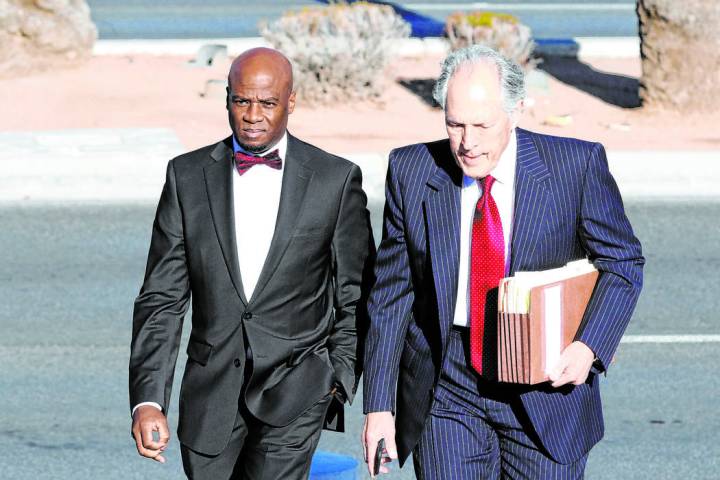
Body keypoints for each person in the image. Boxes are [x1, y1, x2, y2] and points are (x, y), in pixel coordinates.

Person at [361, 45, 644, 479]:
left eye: (481, 125)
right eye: (454, 124)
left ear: (515, 111)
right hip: (448, 384)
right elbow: (391, 296)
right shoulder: (412, 170)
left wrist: (588, 347)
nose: (467, 142)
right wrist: (380, 405)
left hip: (545, 384)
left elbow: (623, 261)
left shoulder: (575, 166)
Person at [129, 47, 373, 480]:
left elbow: (356, 294)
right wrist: (148, 399)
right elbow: (162, 298)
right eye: (242, 101)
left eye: (268, 102)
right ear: (227, 99)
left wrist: (335, 378)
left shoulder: (334, 180)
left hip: (298, 390)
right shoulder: (186, 178)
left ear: (291, 102)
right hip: (210, 397)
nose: (253, 115)